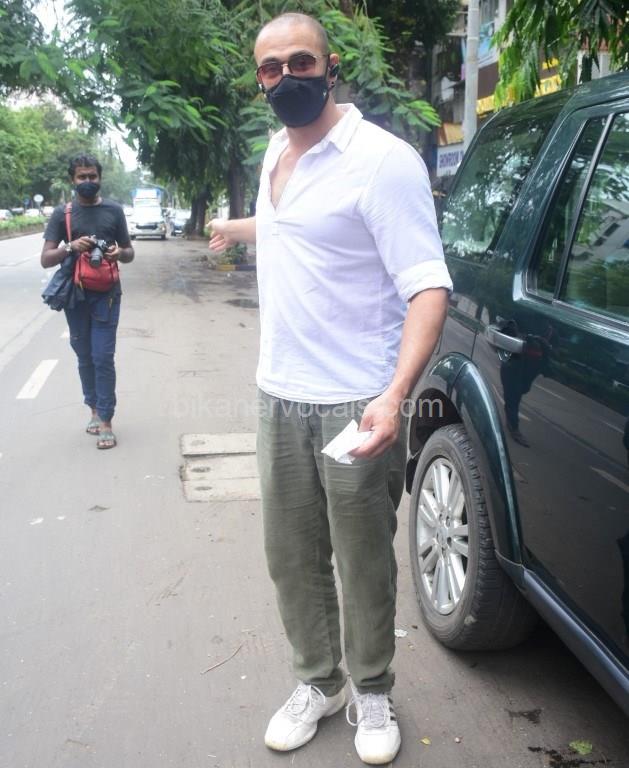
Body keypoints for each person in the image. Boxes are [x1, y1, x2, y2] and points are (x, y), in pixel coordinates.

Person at [209, 13, 452, 765]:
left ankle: (372, 687)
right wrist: (235, 228)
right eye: (270, 68)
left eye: (300, 62)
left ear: (330, 65)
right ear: (259, 80)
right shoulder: (274, 152)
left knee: (361, 558)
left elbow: (428, 287)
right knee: (290, 555)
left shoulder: (382, 161)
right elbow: (291, 227)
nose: (285, 77)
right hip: (278, 393)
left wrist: (394, 395)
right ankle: (318, 681)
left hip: (356, 401)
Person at [41, 154, 134, 449]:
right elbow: (46, 259)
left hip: (107, 294)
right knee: (84, 356)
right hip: (76, 296)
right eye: (82, 177)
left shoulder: (114, 211)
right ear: (73, 179)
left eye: (92, 176)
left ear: (100, 177)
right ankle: (93, 409)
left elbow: (130, 252)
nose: (88, 181)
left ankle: (106, 419)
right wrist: (70, 247)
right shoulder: (63, 214)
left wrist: (118, 254)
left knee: (102, 356)